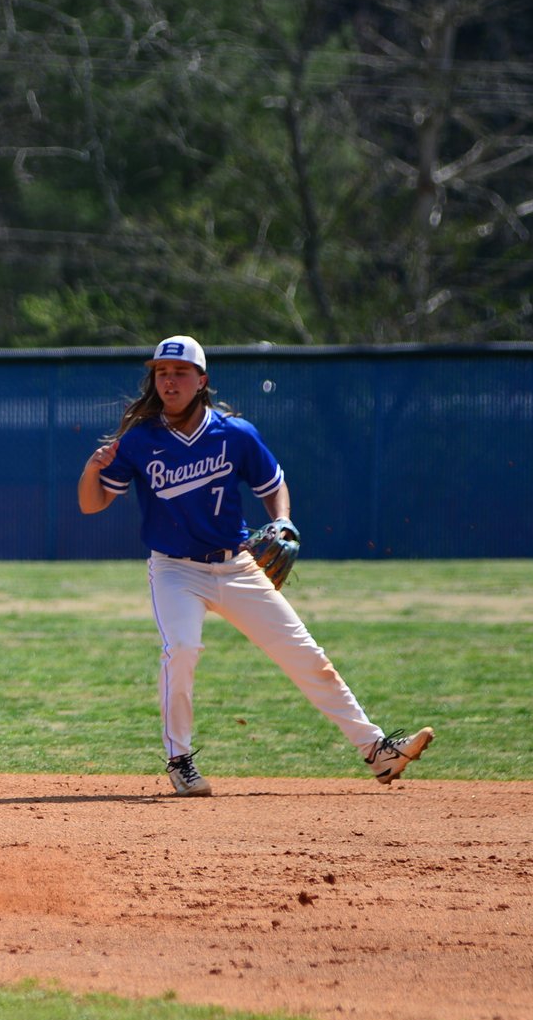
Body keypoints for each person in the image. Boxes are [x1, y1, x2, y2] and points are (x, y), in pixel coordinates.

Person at [77, 333, 432, 796]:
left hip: (239, 566)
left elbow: (273, 484)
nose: (169, 380)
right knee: (181, 650)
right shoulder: (140, 440)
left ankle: (376, 750)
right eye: (161, 372)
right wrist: (91, 468)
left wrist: (282, 521)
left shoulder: (235, 434)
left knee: (307, 657)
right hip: (176, 571)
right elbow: (92, 503)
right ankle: (179, 760)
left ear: (201, 380)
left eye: (180, 372)